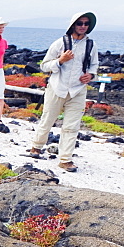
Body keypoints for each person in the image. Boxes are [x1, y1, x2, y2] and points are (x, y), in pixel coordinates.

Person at [26, 12, 99, 173]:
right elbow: (44, 65)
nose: (83, 26)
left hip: (78, 90)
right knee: (47, 119)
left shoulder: (91, 45)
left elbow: (94, 66)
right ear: (73, 24)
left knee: (72, 126)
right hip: (57, 87)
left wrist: (91, 75)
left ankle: (65, 159)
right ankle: (36, 147)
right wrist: (60, 61)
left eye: (86, 24)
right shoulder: (60, 43)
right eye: (80, 23)